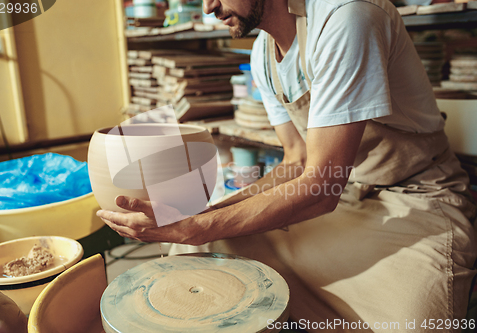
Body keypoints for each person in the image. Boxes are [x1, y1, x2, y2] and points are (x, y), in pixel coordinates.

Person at [97, 0, 477, 330]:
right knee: (208, 249)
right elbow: (296, 161)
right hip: (343, 197)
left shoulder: (346, 18)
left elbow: (321, 186)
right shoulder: (262, 54)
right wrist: (202, 214)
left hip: (416, 197)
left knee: (416, 323)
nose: (208, 9)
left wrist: (194, 226)